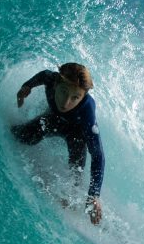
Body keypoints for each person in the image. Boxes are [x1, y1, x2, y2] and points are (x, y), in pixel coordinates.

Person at [12, 63, 105, 225]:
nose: (66, 102)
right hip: (52, 120)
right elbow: (42, 76)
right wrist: (26, 87)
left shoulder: (87, 111)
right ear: (56, 84)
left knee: (75, 173)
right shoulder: (50, 78)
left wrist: (94, 195)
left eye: (75, 97)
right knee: (21, 136)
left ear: (83, 96)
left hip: (76, 135)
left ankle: (70, 205)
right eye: (63, 92)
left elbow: (98, 155)